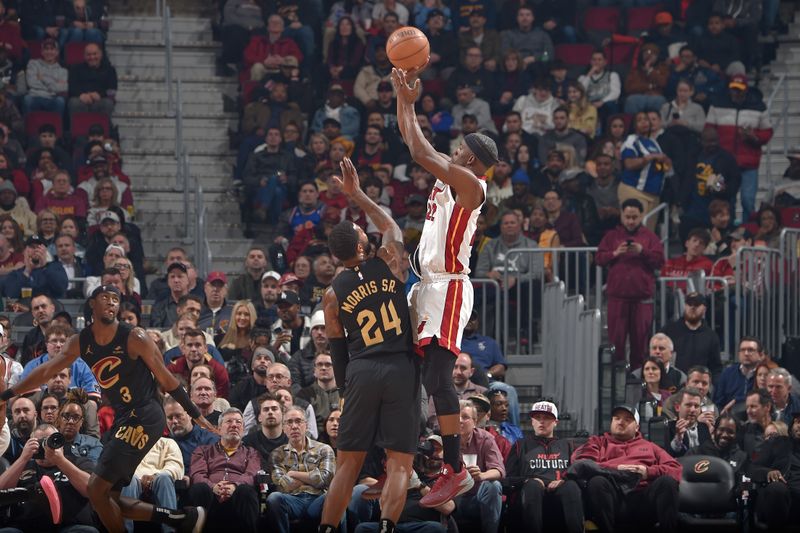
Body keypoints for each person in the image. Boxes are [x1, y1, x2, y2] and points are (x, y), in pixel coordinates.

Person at [0, 284, 216, 533]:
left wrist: (195, 413)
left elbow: (167, 380)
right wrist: (7, 394)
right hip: (124, 418)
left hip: (145, 414)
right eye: (106, 297)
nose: (112, 302)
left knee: (96, 489)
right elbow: (46, 371)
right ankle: (181, 519)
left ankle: (179, 520)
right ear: (92, 304)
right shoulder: (81, 341)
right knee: (105, 498)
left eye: (116, 299)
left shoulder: (135, 337)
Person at [392, 64, 499, 507]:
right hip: (427, 284)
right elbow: (411, 140)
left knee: (438, 376)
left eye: (458, 147)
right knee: (407, 375)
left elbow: (417, 148)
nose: (452, 150)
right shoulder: (450, 176)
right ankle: (403, 465)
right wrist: (403, 99)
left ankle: (455, 470)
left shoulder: (471, 184)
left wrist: (410, 102)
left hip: (450, 287)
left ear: (470, 158)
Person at [317, 156, 420, 533]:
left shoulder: (331, 293)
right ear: (363, 244)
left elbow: (337, 349)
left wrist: (345, 391)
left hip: (360, 370)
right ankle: (387, 527)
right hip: (399, 367)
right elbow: (391, 225)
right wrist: (357, 194)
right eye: (363, 233)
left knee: (348, 465)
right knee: (399, 464)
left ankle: (327, 528)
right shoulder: (390, 261)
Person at [573, 405, 682, 533]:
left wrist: (648, 472)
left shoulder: (650, 446)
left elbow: (676, 469)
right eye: (617, 418)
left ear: (637, 427)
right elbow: (584, 464)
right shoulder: (597, 442)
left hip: (643, 499)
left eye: (627, 419)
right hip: (612, 497)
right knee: (597, 481)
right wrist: (615, 469)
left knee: (667, 482)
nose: (620, 422)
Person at [596, 199, 665, 370]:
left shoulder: (650, 237)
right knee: (616, 343)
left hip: (642, 299)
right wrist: (615, 253)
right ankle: (615, 382)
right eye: (627, 217)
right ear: (621, 216)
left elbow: (660, 261)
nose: (631, 221)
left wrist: (643, 251)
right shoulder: (612, 236)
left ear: (641, 216)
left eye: (634, 217)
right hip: (617, 298)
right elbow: (598, 259)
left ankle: (638, 381)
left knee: (640, 345)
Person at [0, 422, 97, 531]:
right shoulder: (22, 466)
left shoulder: (78, 462)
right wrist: (23, 458)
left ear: (60, 443)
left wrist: (61, 461)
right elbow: (2, 493)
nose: (44, 448)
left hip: (69, 526)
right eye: (39, 443)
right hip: (25, 527)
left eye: (48, 442)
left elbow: (91, 490)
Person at [504, 400, 583, 533]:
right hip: (530, 494)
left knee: (571, 486)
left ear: (555, 422)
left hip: (560, 494)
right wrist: (528, 480)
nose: (542, 422)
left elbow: (580, 477)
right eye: (538, 418)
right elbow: (507, 480)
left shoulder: (568, 446)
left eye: (547, 418)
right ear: (532, 421)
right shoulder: (520, 445)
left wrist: (564, 481)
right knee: (533, 486)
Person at [705, 73, 772, 222]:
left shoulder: (759, 106)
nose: (736, 92)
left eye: (739, 89)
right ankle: (727, 230)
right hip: (722, 163)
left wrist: (754, 137)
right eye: (733, 89)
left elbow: (768, 132)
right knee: (723, 199)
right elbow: (708, 129)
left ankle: (748, 230)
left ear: (746, 89)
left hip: (749, 163)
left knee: (748, 200)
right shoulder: (717, 103)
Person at [267, 406, 336, 533]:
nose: (294, 426)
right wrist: (312, 477)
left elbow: (325, 480)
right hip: (292, 500)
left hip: (319, 498)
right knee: (274, 498)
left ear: (307, 425)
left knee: (335, 496)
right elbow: (282, 485)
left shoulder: (324, 449)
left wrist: (293, 474)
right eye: (289, 422)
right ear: (283, 428)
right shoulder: (276, 454)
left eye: (298, 421)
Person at [120, 436, 184, 533]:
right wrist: (139, 478)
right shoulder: (127, 443)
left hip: (159, 480)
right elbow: (122, 465)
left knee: (164, 478)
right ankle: (125, 530)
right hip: (135, 481)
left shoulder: (168, 442)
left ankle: (170, 530)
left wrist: (155, 476)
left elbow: (175, 466)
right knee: (129, 480)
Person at [747, 414, 800, 529]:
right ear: (793, 423)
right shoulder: (777, 442)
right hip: (779, 495)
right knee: (777, 489)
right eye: (798, 422)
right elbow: (752, 469)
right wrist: (768, 472)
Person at [661, 292, 723, 376]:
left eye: (696, 305)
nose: (692, 307)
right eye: (689, 304)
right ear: (685, 306)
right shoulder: (669, 331)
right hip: (673, 383)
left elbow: (716, 368)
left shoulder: (711, 336)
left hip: (699, 384)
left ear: (704, 309)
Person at [164, 397, 219, 477]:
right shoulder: (162, 444)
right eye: (169, 418)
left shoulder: (209, 440)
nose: (174, 421)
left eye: (178, 416)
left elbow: (216, 471)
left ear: (190, 415)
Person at [242, 393, 288, 475]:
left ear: (283, 415)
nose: (270, 412)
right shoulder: (247, 443)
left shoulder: (291, 442)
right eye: (266, 409)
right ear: (259, 417)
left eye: (274, 409)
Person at [67, 43, 117, 117]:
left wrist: (100, 95)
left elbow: (112, 90)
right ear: (84, 56)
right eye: (89, 55)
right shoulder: (76, 69)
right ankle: (78, 128)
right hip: (81, 99)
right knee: (74, 102)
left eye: (95, 54)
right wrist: (81, 95)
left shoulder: (110, 70)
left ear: (101, 54)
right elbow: (71, 87)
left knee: (107, 103)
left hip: (100, 99)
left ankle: (103, 128)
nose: (92, 57)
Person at [714, 336, 761, 409]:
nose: (746, 353)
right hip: (729, 417)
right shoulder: (727, 373)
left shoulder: (763, 374)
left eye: (750, 350)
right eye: (742, 350)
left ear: (760, 355)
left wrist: (737, 400)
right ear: (738, 354)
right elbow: (718, 402)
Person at [665, 388, 713, 457]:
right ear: (677, 407)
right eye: (688, 405)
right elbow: (668, 455)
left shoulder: (705, 427)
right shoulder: (668, 427)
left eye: (696, 406)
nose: (693, 409)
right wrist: (678, 438)